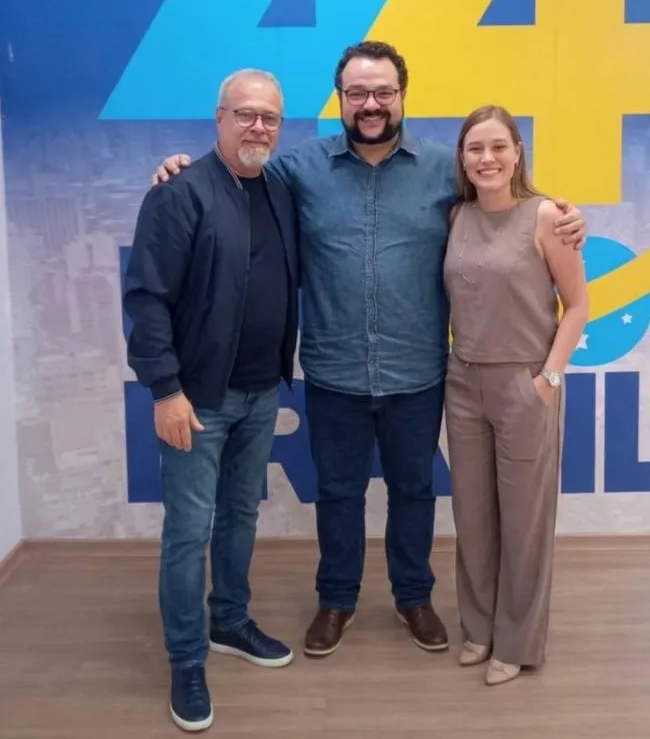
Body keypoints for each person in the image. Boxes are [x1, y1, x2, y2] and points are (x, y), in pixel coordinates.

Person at [150, 41, 586, 659]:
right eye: (358, 93)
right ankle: (337, 600)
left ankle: (414, 597)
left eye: (384, 92)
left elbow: (509, 199)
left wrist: (565, 213)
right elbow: (232, 172)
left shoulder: (446, 169)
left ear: (403, 96)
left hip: (418, 371)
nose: (371, 104)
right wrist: (178, 167)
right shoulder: (298, 168)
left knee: (414, 492)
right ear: (341, 100)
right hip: (333, 372)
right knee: (338, 493)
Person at [123, 69, 299, 733]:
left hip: (261, 394)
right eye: (246, 114)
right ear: (219, 118)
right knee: (188, 532)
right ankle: (187, 660)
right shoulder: (179, 193)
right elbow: (146, 300)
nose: (259, 127)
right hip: (196, 399)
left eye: (271, 118)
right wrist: (165, 389)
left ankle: (229, 621)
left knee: (239, 519)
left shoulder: (279, 189)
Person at [443, 105, 588, 687]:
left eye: (498, 146)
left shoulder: (548, 216)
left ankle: (518, 641)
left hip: (525, 381)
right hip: (463, 382)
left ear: (517, 152)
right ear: (462, 158)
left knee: (524, 520)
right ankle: (479, 630)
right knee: (473, 516)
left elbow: (577, 305)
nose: (487, 158)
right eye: (475, 148)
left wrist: (548, 380)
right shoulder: (455, 215)